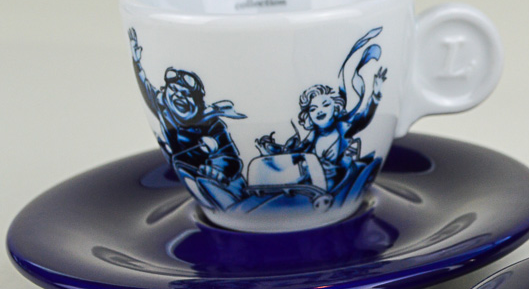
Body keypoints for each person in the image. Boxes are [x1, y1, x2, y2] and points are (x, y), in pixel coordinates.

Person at [256, 28, 388, 193]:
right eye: (313, 108)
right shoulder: (308, 137)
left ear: (335, 107)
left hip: (337, 181)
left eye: (325, 104)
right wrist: (269, 150)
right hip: (312, 183)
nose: (320, 110)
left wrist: (376, 95)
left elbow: (363, 118)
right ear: (308, 116)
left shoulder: (344, 128)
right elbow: (288, 154)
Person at [128, 28, 247, 207]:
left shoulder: (211, 124)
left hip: (221, 185)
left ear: (198, 101)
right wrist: (137, 62)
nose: (178, 96)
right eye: (174, 90)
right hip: (186, 174)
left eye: (186, 94)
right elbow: (146, 87)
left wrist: (217, 168)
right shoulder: (164, 108)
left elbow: (230, 158)